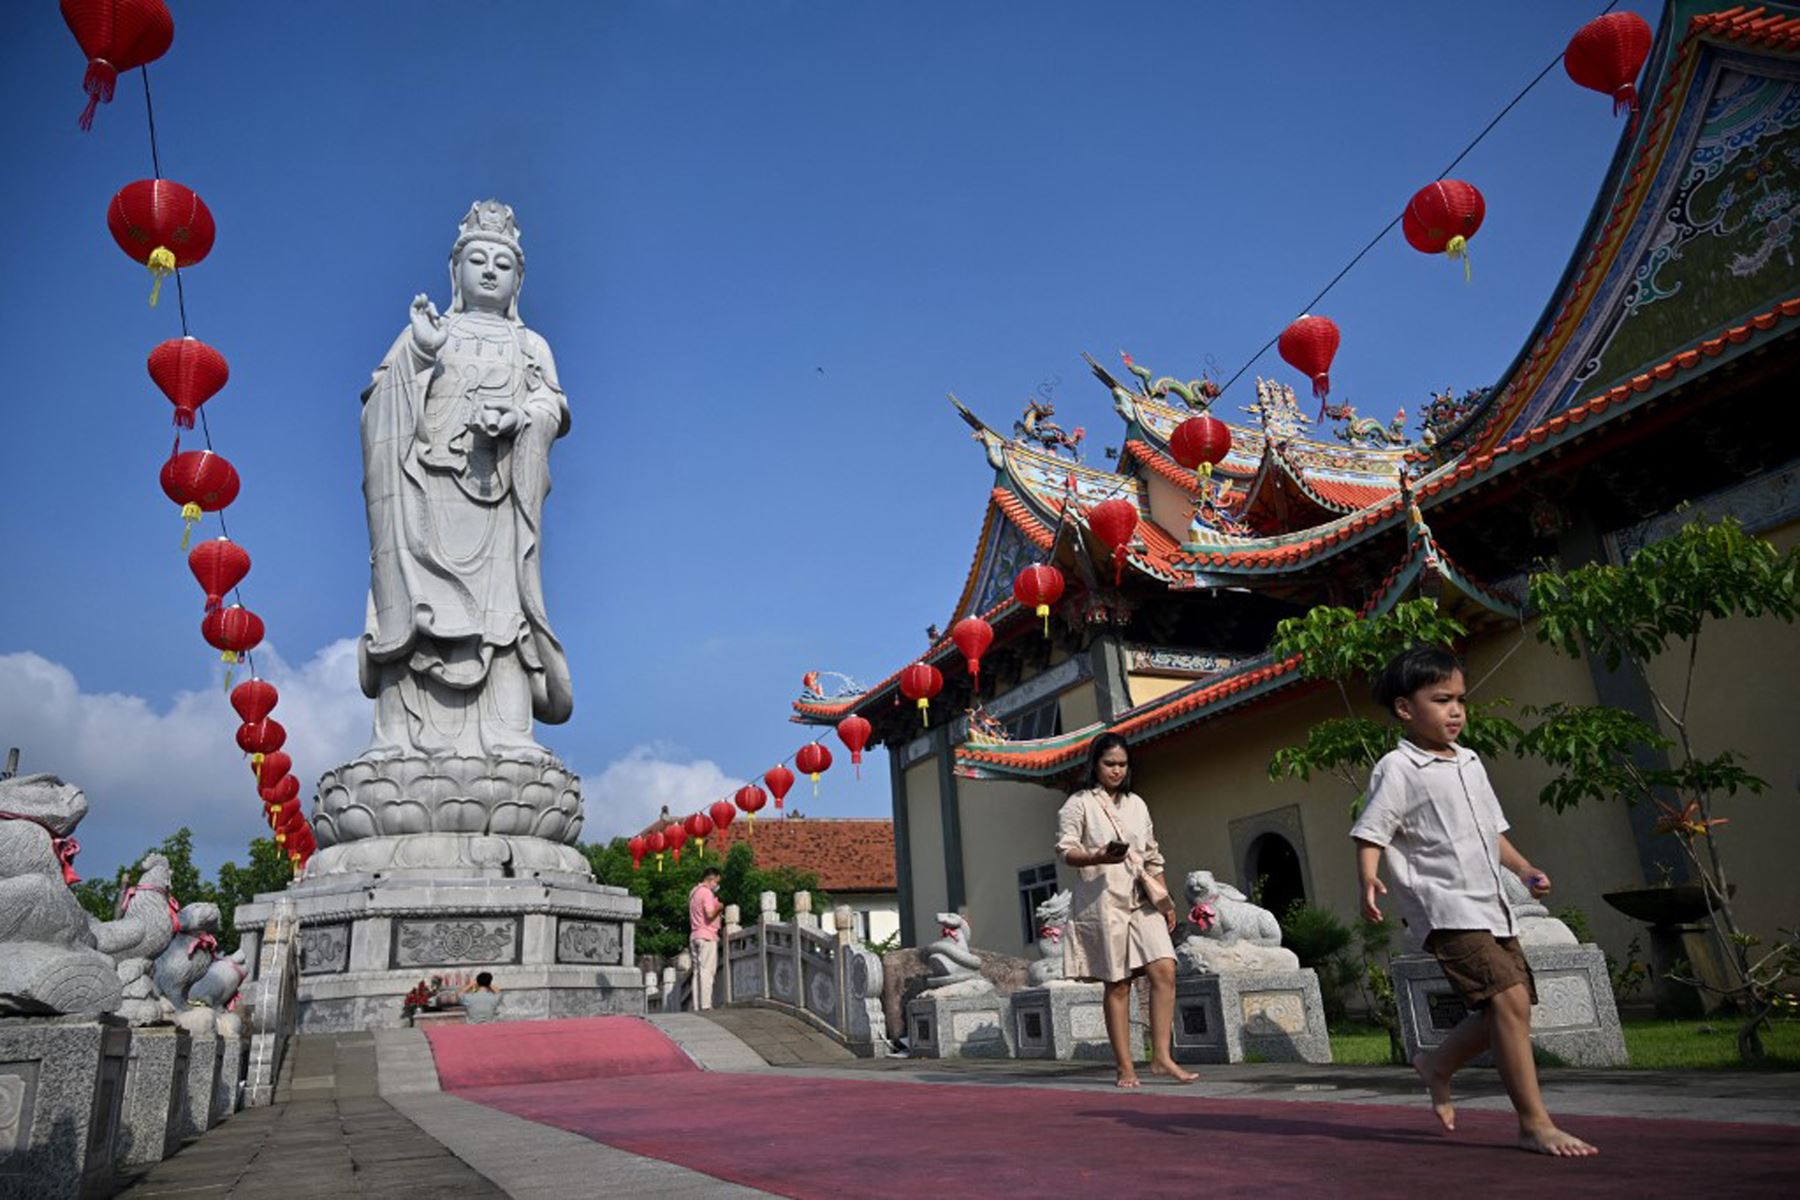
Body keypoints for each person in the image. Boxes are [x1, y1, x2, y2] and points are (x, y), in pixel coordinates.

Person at [1351, 645, 1597, 1158]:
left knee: (1514, 1007)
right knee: (1507, 1001)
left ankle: (1437, 1064)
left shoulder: (1470, 762)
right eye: (1442, 700)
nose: (1457, 711)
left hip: (1493, 903)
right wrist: (1369, 878)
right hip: (1444, 907)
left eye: (1461, 699)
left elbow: (1493, 831)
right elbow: (1372, 830)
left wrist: (1525, 868)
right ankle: (1534, 1123)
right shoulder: (1398, 768)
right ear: (1404, 708)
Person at [358, 200, 573, 760]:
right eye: (477, 259)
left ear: (517, 280)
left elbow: (552, 403)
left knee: (502, 621)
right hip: (428, 497)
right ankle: (401, 739)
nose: (489, 271)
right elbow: (376, 409)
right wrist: (420, 357)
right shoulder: (427, 333)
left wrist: (522, 417)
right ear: (456, 272)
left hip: (498, 502)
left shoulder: (530, 345)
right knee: (416, 611)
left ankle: (507, 734)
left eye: (503, 264)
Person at [1056, 733, 1196, 1088]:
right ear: (1095, 765)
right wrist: (1098, 856)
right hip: (1103, 901)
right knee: (1118, 983)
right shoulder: (1079, 803)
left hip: (1142, 899)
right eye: (1109, 764)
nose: (1116, 771)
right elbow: (1067, 850)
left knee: (1165, 969)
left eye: (1122, 764)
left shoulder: (1137, 804)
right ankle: (1125, 1066)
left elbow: (1151, 854)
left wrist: (1165, 900)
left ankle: (1162, 1056)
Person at [688, 867, 725, 1010]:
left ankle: (697, 1005)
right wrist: (719, 907)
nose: (716, 886)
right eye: (716, 882)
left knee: (697, 972)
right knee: (707, 972)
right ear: (711, 879)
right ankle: (705, 1005)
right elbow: (710, 914)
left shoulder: (693, 893)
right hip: (707, 936)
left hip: (694, 935)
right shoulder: (706, 893)